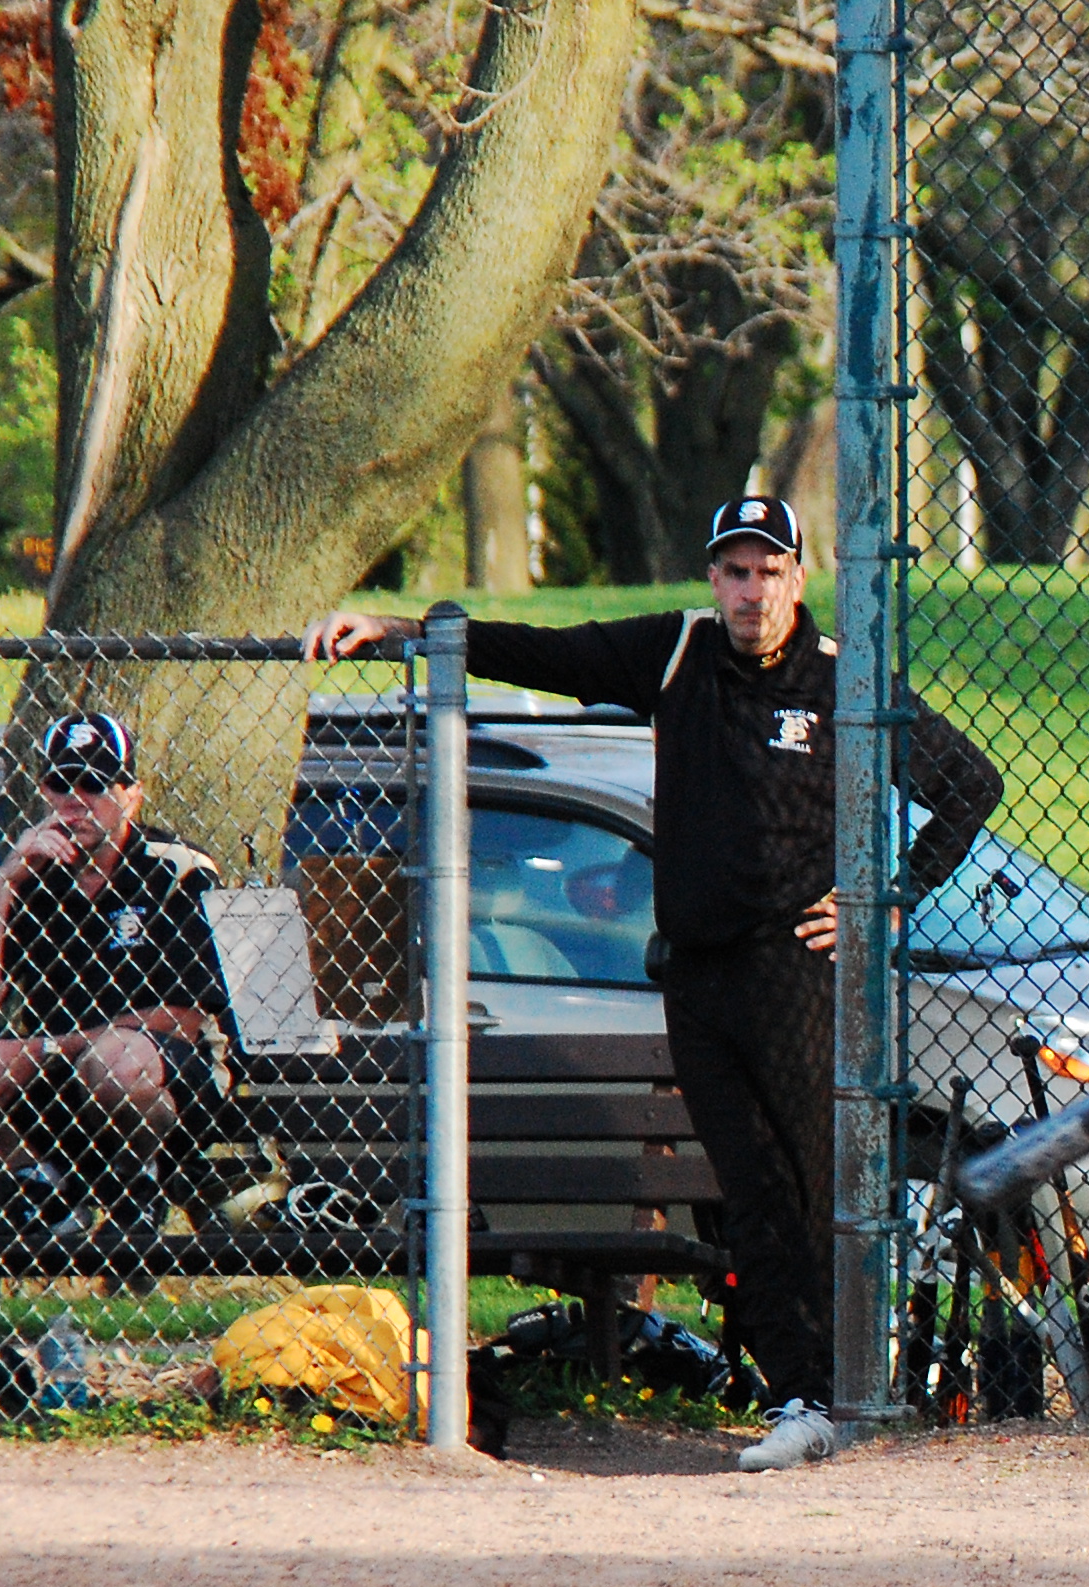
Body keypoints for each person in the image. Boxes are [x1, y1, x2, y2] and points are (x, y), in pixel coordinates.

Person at [304, 495, 1003, 1470]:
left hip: (799, 973)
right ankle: (800, 1398)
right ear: (713, 579)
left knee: (812, 1187)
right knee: (748, 1193)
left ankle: (853, 1391)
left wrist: (884, 899)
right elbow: (546, 653)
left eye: (768, 571)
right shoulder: (677, 652)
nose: (750, 591)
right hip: (697, 974)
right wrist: (401, 628)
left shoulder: (842, 679)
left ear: (798, 578)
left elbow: (968, 783)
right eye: (734, 571)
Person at [0, 713, 236, 1232]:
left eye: (94, 783)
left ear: (132, 795)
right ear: (44, 792)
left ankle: (139, 1185)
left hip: (163, 1084)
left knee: (116, 1058)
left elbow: (183, 1019)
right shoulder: (31, 873)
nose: (76, 800)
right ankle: (40, 1193)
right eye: (62, 784)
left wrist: (40, 1049)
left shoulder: (176, 869)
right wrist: (4, 885)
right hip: (52, 1083)